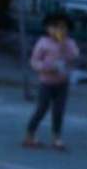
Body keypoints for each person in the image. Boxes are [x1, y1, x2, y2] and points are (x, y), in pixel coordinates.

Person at [23, 13, 79, 151]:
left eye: (62, 28)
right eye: (55, 27)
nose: (59, 31)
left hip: (62, 83)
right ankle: (30, 134)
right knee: (42, 108)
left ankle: (56, 137)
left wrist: (64, 45)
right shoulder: (43, 43)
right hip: (46, 82)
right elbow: (35, 61)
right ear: (48, 28)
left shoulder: (69, 43)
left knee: (58, 111)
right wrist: (45, 68)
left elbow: (74, 56)